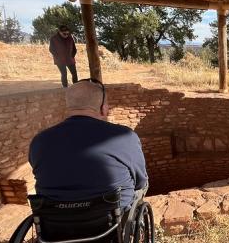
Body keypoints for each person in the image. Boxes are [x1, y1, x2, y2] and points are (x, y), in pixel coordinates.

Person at [29, 80, 148, 209]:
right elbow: (140, 181)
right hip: (111, 223)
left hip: (55, 223)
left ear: (69, 107)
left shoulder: (39, 141)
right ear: (103, 108)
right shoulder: (124, 137)